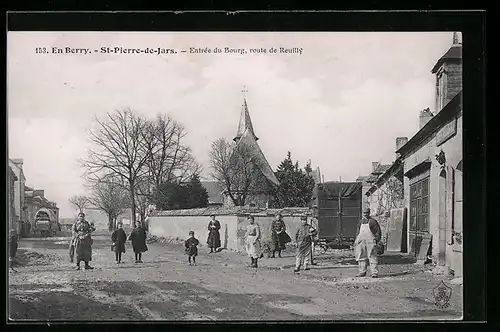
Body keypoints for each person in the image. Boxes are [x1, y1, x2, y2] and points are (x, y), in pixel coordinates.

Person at [354, 208, 382, 278]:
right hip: (361, 241)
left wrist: (377, 240)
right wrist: (356, 240)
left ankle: (374, 273)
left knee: (372, 256)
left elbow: (378, 232)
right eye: (364, 213)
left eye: (366, 213)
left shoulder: (373, 222)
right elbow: (358, 232)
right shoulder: (361, 222)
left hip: (370, 241)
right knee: (361, 256)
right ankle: (362, 272)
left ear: (369, 213)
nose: (365, 214)